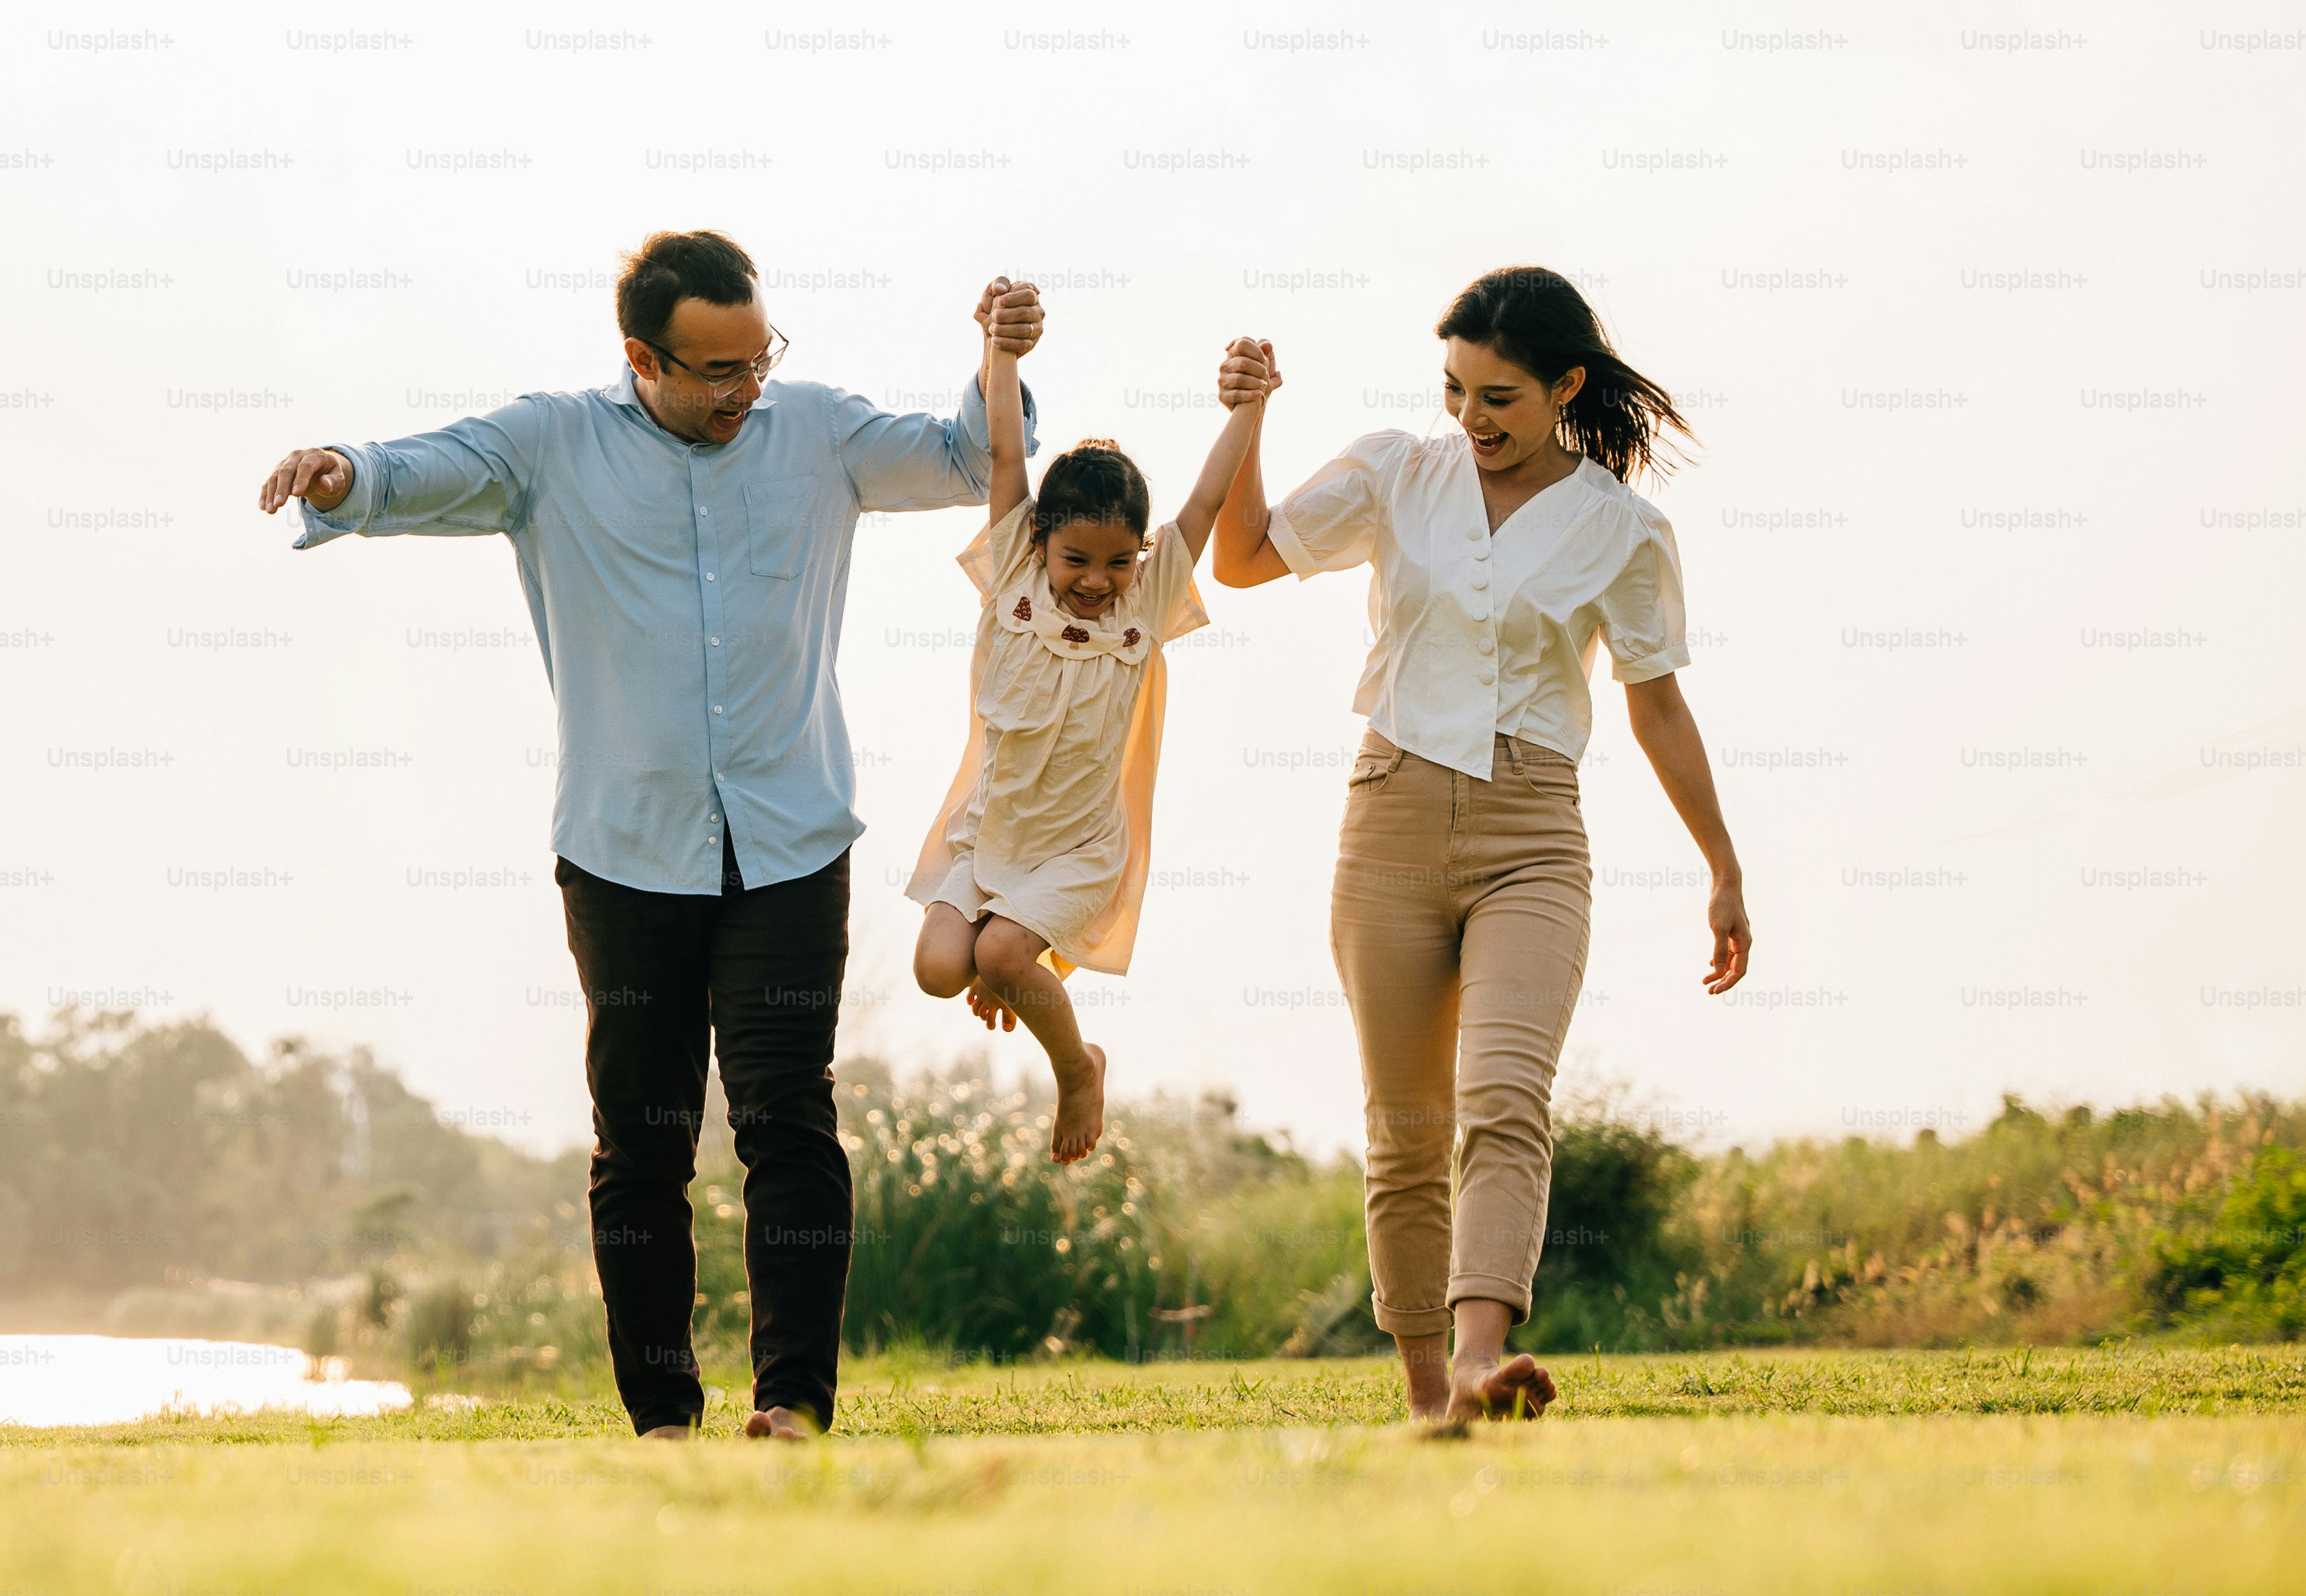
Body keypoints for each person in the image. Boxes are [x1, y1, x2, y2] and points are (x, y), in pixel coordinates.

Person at [253, 230, 1043, 1442]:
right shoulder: (551, 444)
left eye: (757, 359)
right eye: (717, 371)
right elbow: (423, 465)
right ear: (642, 357)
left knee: (789, 1115)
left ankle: (792, 1405)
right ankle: (662, 1414)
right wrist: (339, 472)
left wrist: (995, 360)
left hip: (787, 838)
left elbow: (964, 457)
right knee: (642, 1143)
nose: (746, 391)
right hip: (625, 852)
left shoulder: (818, 433)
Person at [1208, 265, 1752, 1431]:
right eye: (1454, 389)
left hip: (1532, 836)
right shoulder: (1394, 472)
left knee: (1504, 1097)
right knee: (1403, 1128)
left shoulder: (1623, 528)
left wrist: (1721, 865)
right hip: (1388, 817)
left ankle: (1475, 1359)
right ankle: (1426, 1396)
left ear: (1563, 386)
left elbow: (1655, 705)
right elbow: (1242, 558)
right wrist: (1248, 413)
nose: (1471, 418)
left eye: (1499, 397)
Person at [907, 303, 1280, 1165]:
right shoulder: (1013, 573)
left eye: (1118, 562)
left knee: (1000, 951)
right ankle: (1014, 966)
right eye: (1078, 560)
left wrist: (1250, 409)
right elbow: (1007, 452)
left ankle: (1079, 1067)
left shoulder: (1146, 601)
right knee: (939, 967)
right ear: (1041, 541)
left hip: (1077, 849)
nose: (1097, 580)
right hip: (989, 834)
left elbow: (1207, 497)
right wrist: (997, 353)